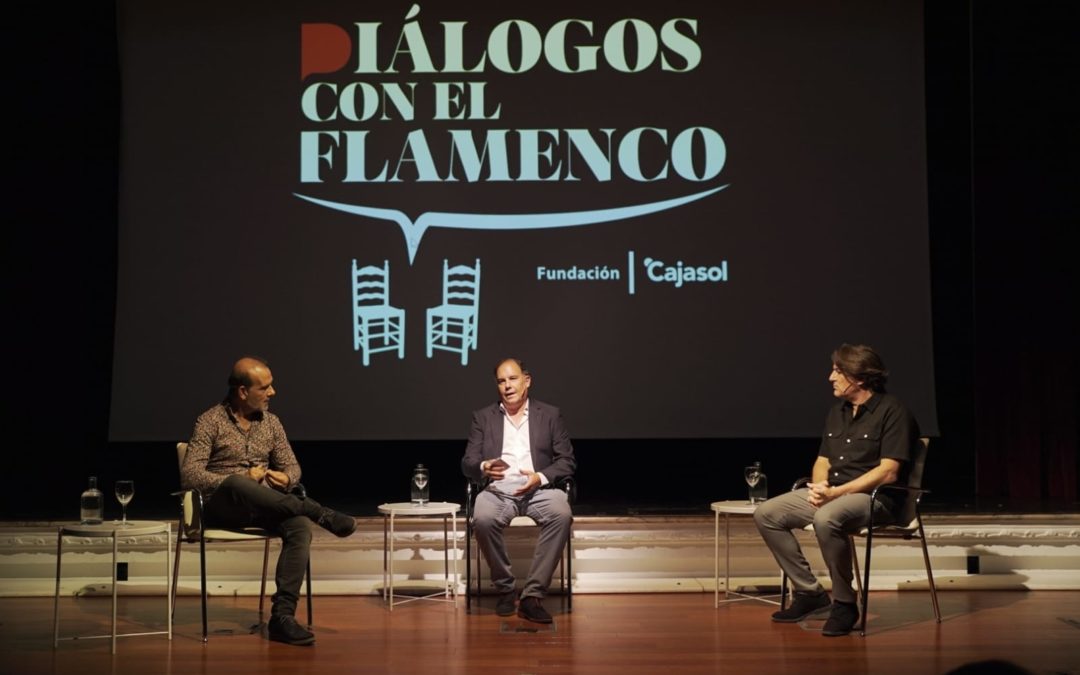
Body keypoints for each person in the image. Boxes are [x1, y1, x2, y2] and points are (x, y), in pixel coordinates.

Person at [182, 356, 356, 646]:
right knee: (237, 482)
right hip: (223, 507)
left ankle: (282, 617)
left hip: (266, 505)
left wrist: (287, 479)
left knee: (299, 525)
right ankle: (319, 511)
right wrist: (241, 478)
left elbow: (292, 466)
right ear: (242, 391)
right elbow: (190, 476)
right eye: (265, 388)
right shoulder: (210, 421)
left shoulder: (271, 423)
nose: (272, 393)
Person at [753, 344, 920, 636]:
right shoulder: (837, 412)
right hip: (835, 495)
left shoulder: (893, 411)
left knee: (826, 518)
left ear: (858, 377)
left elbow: (888, 471)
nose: (831, 377)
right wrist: (820, 487)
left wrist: (836, 494)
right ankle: (809, 593)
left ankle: (844, 603)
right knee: (768, 512)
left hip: (877, 499)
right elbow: (823, 460)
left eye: (837, 371)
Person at [461, 358, 576, 623]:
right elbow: (467, 463)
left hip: (539, 488)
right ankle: (505, 588)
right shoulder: (483, 417)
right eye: (501, 381)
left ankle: (532, 597)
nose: (507, 386)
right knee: (483, 518)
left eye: (512, 379)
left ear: (527, 381)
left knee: (561, 514)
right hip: (499, 488)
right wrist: (484, 465)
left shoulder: (550, 414)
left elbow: (567, 461)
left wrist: (540, 477)